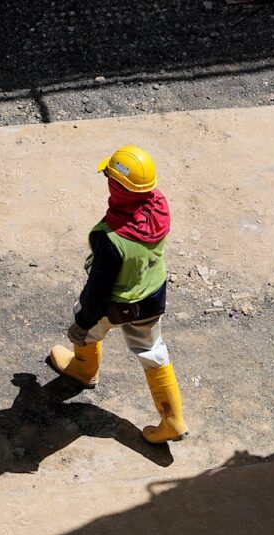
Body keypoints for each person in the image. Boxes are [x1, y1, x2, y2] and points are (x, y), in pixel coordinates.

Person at [47, 145, 189, 444]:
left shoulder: (110, 239)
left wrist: (82, 322)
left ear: (117, 186)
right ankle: (172, 421)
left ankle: (84, 370)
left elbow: (98, 291)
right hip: (152, 294)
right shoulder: (158, 206)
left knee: (86, 327)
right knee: (152, 351)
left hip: (117, 304)